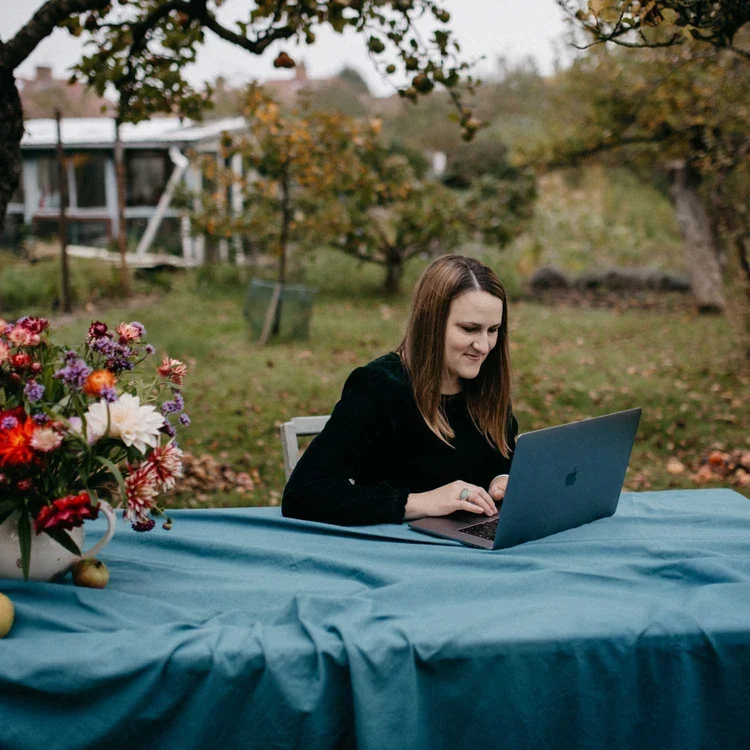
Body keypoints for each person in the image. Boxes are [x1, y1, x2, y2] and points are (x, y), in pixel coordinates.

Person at [282, 254, 518, 526]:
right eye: (469, 329)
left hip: (476, 550)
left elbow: (502, 460)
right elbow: (304, 492)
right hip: (397, 551)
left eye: (493, 330)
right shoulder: (379, 386)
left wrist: (504, 480)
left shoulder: (487, 385)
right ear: (431, 323)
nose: (484, 346)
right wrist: (418, 502)